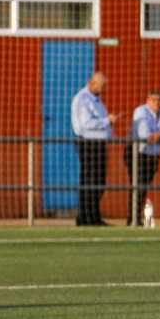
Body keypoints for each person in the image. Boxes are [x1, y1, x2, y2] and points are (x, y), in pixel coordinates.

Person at [71, 71, 113, 226]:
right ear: (92, 83)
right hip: (89, 144)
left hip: (99, 144)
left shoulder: (96, 100)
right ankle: (85, 217)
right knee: (90, 180)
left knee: (99, 181)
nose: (104, 90)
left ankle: (94, 216)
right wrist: (107, 120)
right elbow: (86, 123)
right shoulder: (83, 99)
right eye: (102, 86)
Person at [128, 89, 160, 226]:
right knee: (137, 186)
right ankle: (133, 218)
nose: (157, 103)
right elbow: (145, 134)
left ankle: (136, 217)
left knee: (144, 186)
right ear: (148, 101)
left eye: (159, 100)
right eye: (153, 100)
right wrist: (159, 134)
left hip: (154, 155)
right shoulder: (141, 111)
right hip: (138, 153)